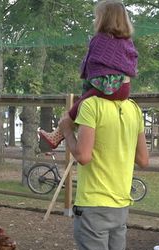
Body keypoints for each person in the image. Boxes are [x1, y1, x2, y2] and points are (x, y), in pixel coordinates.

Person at [59, 8, 149, 250]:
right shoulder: (135, 109)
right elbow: (143, 159)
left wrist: (67, 131)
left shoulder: (91, 106)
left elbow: (82, 156)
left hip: (94, 204)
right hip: (121, 205)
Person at [38, 0, 138, 150]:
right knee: (83, 102)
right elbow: (130, 62)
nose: (96, 20)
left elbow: (92, 63)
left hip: (110, 87)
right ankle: (66, 132)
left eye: (98, 17)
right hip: (125, 88)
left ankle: (58, 134)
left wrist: (90, 75)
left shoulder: (101, 39)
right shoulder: (126, 41)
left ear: (105, 19)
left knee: (81, 103)